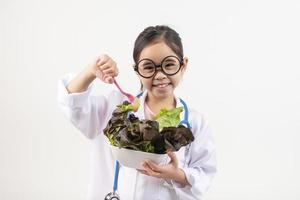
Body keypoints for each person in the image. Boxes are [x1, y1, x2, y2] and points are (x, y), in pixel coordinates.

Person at [57, 25, 217, 200]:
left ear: (183, 65)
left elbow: (205, 174)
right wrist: (91, 70)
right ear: (137, 71)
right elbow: (72, 104)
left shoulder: (196, 122)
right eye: (149, 67)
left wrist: (175, 174)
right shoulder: (116, 107)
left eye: (169, 64)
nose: (160, 75)